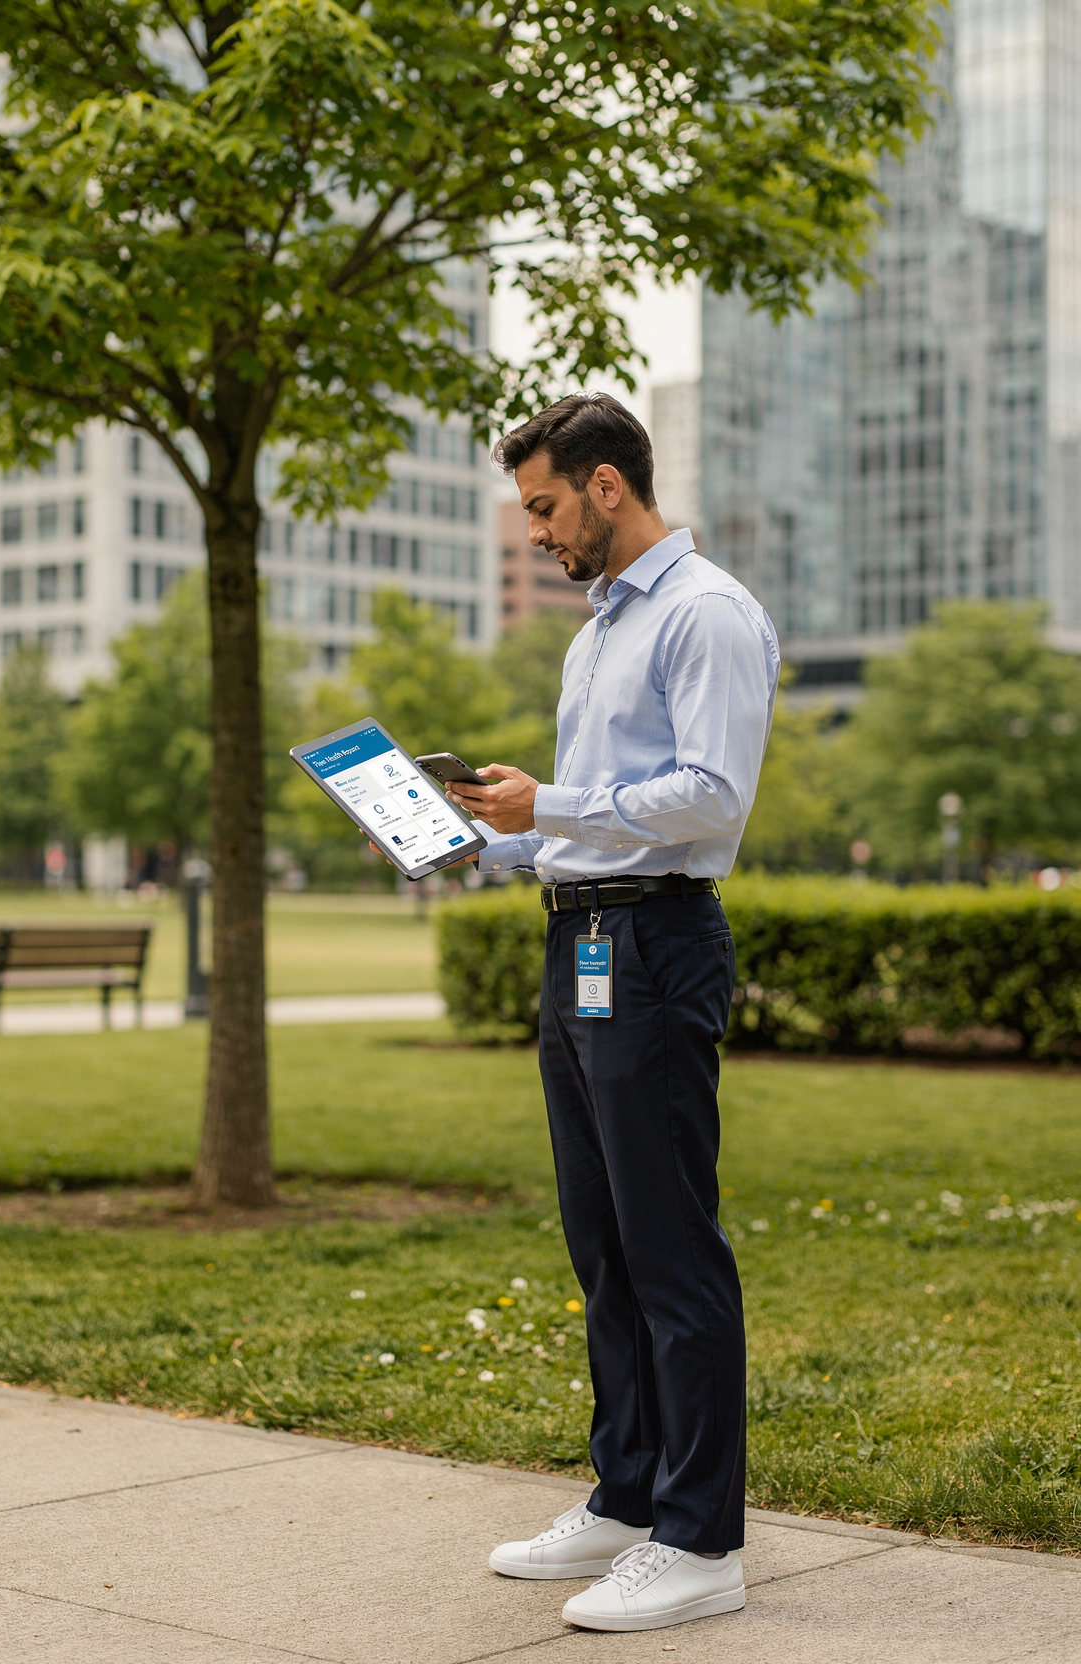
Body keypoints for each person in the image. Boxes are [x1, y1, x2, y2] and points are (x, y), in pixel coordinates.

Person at [445, 393, 780, 1635]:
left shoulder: (705, 614)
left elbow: (706, 794)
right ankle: (631, 1494)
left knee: (669, 1244)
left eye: (541, 506)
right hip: (579, 941)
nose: (536, 533)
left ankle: (703, 1540)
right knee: (603, 1242)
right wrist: (478, 841)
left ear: (602, 485)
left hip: (656, 945)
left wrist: (554, 803)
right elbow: (575, 826)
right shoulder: (597, 635)